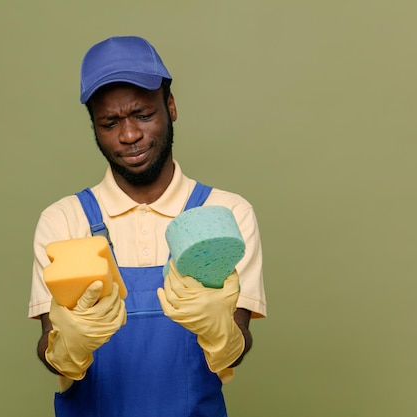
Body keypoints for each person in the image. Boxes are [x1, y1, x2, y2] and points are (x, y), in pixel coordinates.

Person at [28, 35, 267, 417]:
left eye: (143, 114)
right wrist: (70, 343)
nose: (129, 136)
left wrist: (219, 327)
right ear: (95, 127)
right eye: (110, 122)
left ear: (170, 107)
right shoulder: (64, 220)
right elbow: (51, 352)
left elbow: (237, 344)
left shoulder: (225, 213)